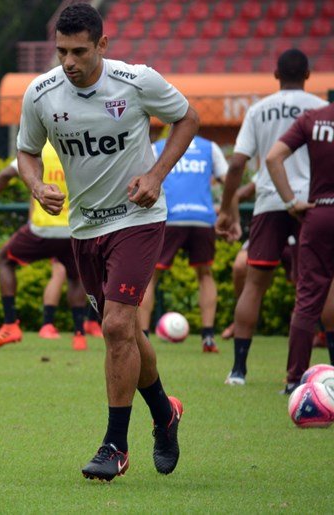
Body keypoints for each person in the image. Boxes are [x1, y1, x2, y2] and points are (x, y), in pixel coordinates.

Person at [16, 3, 198, 482]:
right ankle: (165, 412)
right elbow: (26, 152)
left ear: (102, 45)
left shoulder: (137, 81)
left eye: (79, 51)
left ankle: (114, 446)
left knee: (118, 326)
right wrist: (37, 186)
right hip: (84, 229)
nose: (69, 62)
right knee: (127, 335)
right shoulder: (41, 94)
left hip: (138, 219)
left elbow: (188, 119)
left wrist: (157, 175)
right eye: (61, 52)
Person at [215, 49, 327, 389]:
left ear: (275, 74)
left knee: (254, 284)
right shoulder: (320, 109)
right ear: (308, 74)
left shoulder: (259, 109)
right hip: (312, 201)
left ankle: (238, 371)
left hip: (269, 200)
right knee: (323, 280)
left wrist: (227, 208)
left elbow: (235, 164)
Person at [0, 142, 92, 351]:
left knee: (5, 259)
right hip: (74, 229)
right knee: (75, 277)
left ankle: (10, 324)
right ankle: (79, 336)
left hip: (43, 229)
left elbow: (5, 175)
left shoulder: (38, 147)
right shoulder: (79, 144)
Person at [138, 135, 227, 353]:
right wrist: (225, 210)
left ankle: (143, 337)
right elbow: (229, 179)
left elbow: (141, 180)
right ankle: (207, 337)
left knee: (150, 277)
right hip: (202, 218)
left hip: (170, 217)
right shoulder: (210, 146)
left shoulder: (157, 148)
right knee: (205, 274)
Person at [266, 101, 334, 387]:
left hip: (320, 215)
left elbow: (273, 158)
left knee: (307, 301)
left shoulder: (314, 118)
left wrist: (291, 201)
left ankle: (295, 381)